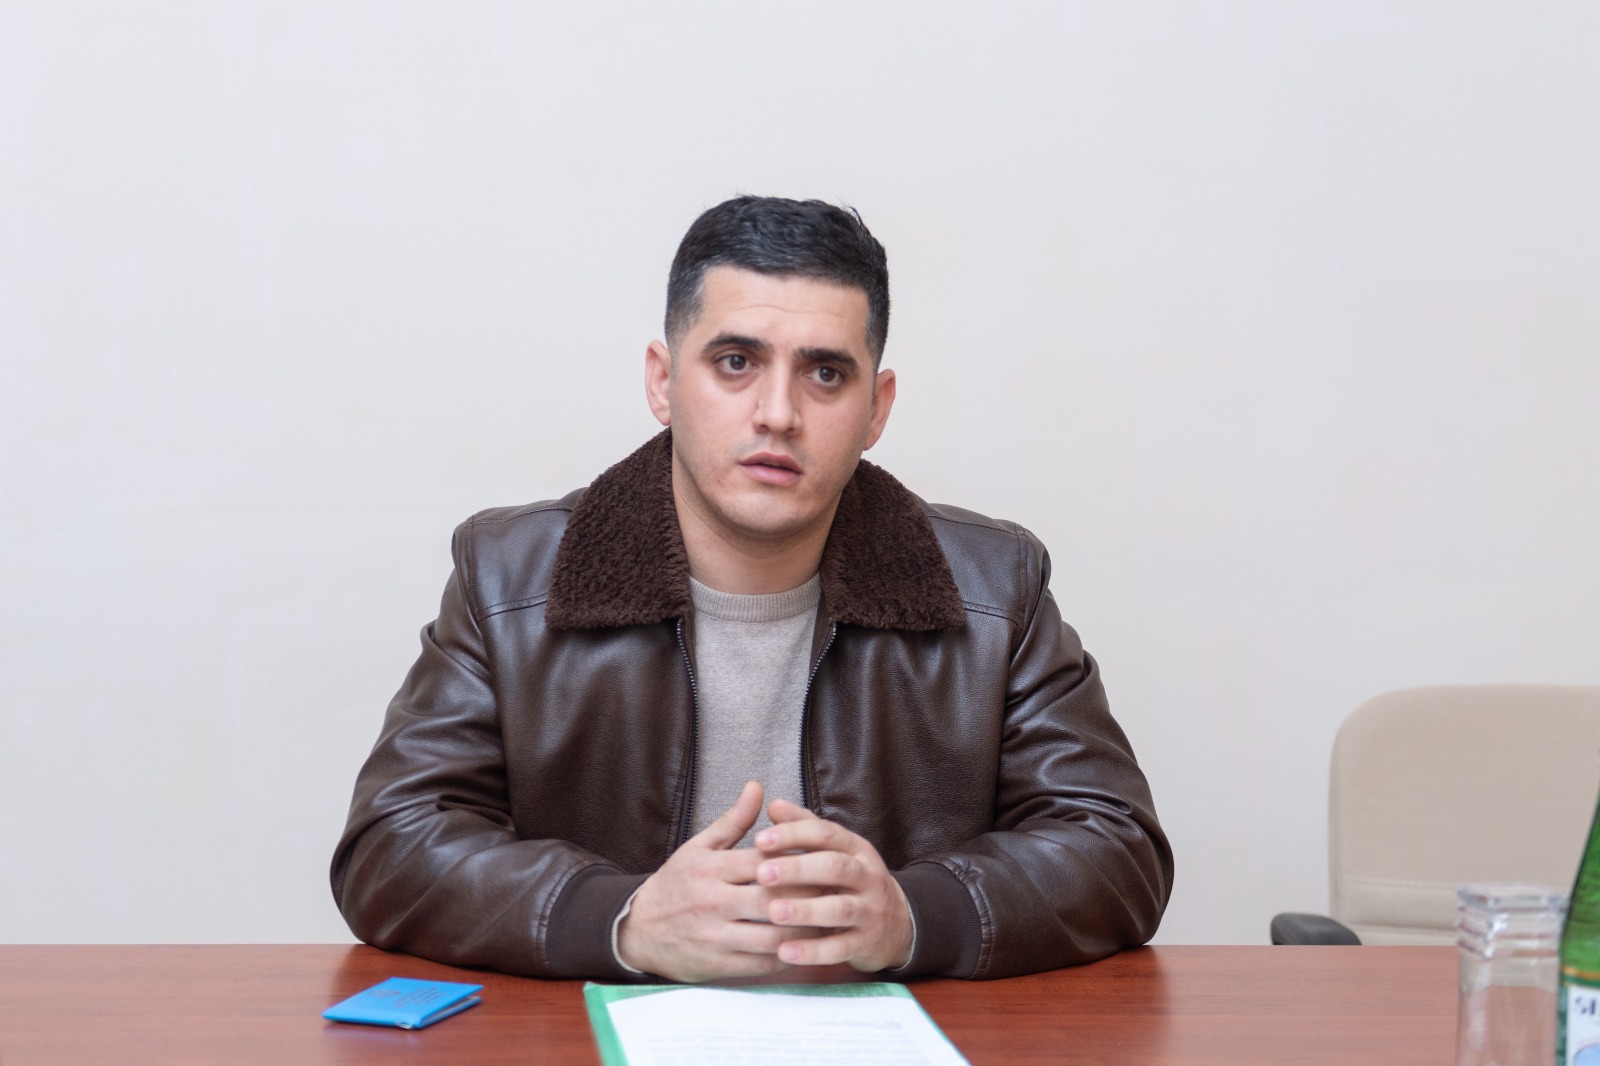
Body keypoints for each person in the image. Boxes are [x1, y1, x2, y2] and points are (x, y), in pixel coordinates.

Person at [331, 196, 1172, 982]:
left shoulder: (994, 587)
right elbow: (391, 846)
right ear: (663, 381)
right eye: (736, 363)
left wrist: (913, 915)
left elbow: (1114, 845)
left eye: (826, 374)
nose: (777, 413)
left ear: (877, 408)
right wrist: (621, 920)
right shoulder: (509, 575)